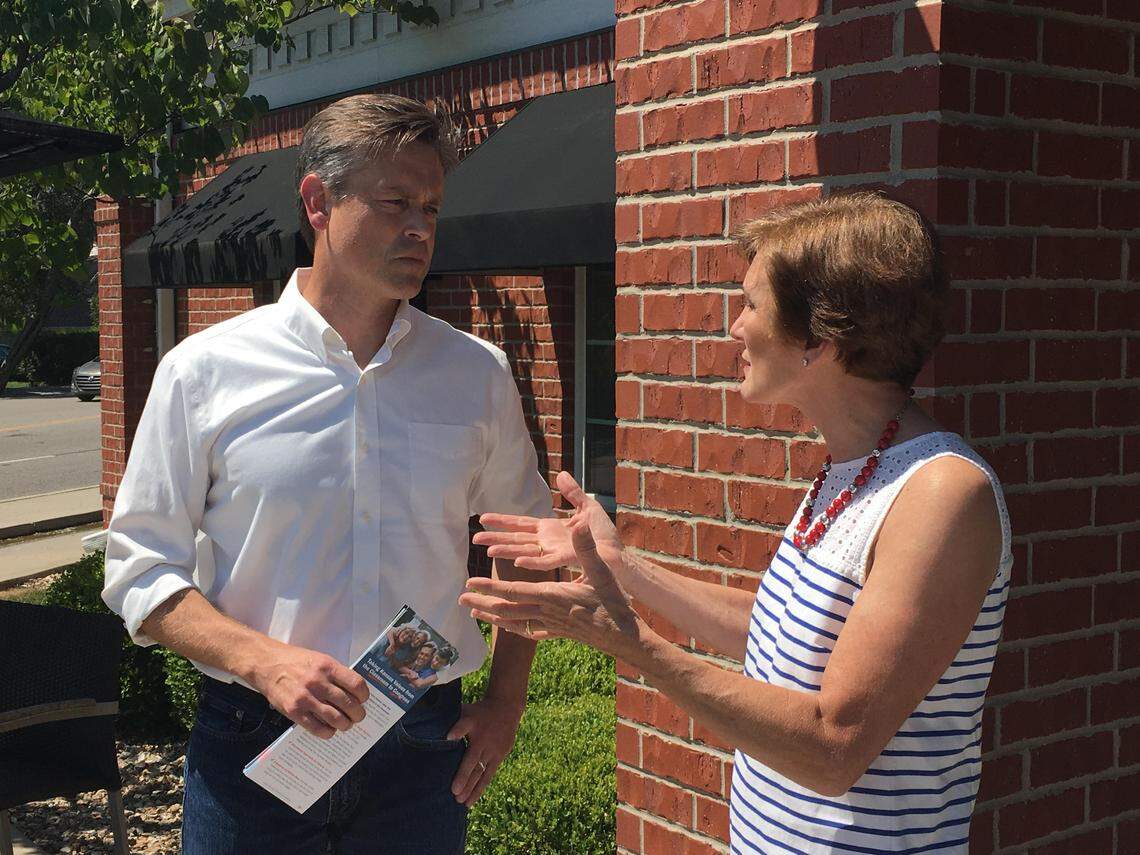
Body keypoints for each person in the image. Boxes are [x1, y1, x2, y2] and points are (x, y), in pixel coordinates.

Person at [463, 192, 1012, 853]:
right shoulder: (851, 471)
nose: (734, 327)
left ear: (818, 338)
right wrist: (621, 565)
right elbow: (780, 633)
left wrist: (632, 643)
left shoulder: (942, 493)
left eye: (752, 302)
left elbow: (832, 745)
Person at [101, 93, 552, 854]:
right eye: (394, 203)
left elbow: (529, 544)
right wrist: (263, 661)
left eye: (431, 208)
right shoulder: (205, 371)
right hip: (254, 742)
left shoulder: (475, 373)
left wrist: (507, 697)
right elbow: (138, 569)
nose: (419, 228)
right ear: (318, 200)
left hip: (420, 744)